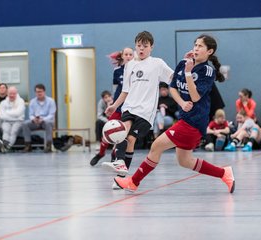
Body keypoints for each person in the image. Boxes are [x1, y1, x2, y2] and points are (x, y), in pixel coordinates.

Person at [114, 34, 235, 194]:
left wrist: (188, 74)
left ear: (209, 51)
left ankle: (133, 182)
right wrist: (181, 103)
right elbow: (172, 88)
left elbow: (195, 96)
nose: (196, 48)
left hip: (194, 122)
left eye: (200, 46)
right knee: (184, 161)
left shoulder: (207, 71)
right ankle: (224, 173)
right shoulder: (184, 64)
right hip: (185, 118)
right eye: (195, 44)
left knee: (156, 146)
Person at [101, 31, 174, 190]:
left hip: (146, 112)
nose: (141, 49)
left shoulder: (157, 63)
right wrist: (114, 105)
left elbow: (172, 79)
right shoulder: (130, 65)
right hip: (129, 107)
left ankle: (121, 176)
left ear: (151, 47)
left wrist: (187, 74)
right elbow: (125, 90)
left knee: (131, 140)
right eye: (139, 46)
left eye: (145, 46)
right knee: (123, 133)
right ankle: (120, 169)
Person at [90, 47, 134, 166]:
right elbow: (115, 90)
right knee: (108, 131)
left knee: (122, 135)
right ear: (123, 56)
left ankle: (115, 155)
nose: (129, 56)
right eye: (126, 54)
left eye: (131, 54)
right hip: (119, 106)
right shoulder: (117, 71)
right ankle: (100, 153)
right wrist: (112, 104)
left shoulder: (137, 70)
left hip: (131, 108)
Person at [22, 84, 56, 153]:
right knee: (25, 124)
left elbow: (51, 115)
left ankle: (48, 146)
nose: (39, 93)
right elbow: (31, 114)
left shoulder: (51, 101)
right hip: (36, 121)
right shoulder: (32, 102)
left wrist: (43, 119)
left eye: (40, 91)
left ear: (44, 92)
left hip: (47, 121)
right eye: (37, 92)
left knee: (48, 123)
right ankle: (28, 145)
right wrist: (33, 119)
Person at [0, 86, 25, 153]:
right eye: (10, 93)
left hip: (18, 121)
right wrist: (14, 115)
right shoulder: (3, 103)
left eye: (14, 93)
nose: (12, 95)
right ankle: (5, 147)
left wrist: (7, 113)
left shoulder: (21, 101)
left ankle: (5, 147)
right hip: (6, 121)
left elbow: (19, 113)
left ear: (16, 93)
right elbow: (2, 116)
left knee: (13, 132)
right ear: (7, 93)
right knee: (6, 131)